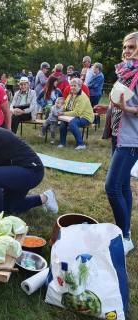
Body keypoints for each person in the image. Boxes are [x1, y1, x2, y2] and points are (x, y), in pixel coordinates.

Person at [104, 32, 138, 255]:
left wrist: (128, 110)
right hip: (119, 134)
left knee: (112, 187)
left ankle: (124, 235)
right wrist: (106, 110)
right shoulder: (124, 73)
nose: (126, 50)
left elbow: (130, 107)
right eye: (125, 46)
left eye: (132, 47)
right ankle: (125, 232)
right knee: (123, 185)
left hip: (132, 140)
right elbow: (119, 102)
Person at [58, 78, 94, 150]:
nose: (72, 88)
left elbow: (77, 113)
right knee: (63, 123)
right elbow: (65, 105)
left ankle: (81, 144)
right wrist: (59, 109)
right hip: (74, 116)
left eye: (75, 86)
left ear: (80, 86)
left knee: (72, 123)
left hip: (85, 117)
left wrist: (63, 113)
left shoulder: (82, 97)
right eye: (71, 86)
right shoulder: (70, 94)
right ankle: (62, 143)